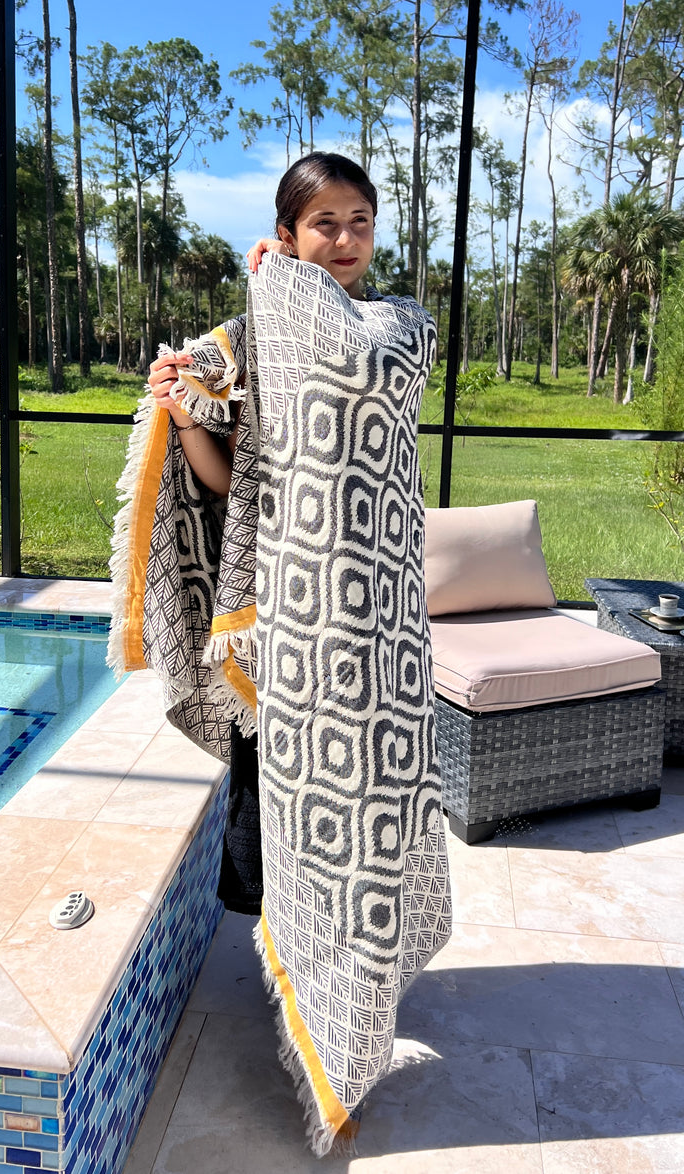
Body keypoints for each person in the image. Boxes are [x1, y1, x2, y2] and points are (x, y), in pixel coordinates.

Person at [110, 152, 452, 1157]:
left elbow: (352, 363)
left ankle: (360, 989)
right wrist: (182, 407)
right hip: (291, 628)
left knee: (376, 820)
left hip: (377, 626)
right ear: (289, 232)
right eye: (322, 225)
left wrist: (276, 294)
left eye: (359, 220)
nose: (344, 240)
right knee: (291, 833)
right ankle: (310, 1004)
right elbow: (231, 482)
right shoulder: (260, 340)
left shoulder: (400, 328)